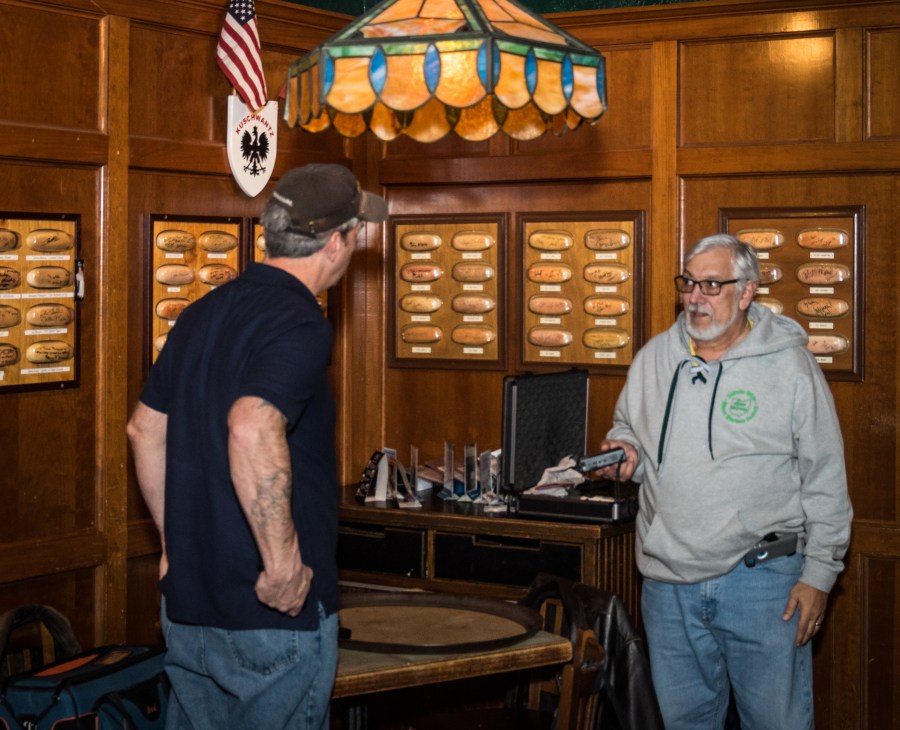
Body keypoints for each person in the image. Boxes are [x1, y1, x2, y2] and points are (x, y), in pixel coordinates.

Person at [127, 164, 387, 729]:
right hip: (270, 616)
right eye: (356, 234)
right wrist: (282, 566)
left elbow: (144, 430)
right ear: (336, 243)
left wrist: (174, 544)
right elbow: (251, 424)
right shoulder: (300, 322)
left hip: (189, 609)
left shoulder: (200, 313)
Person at [595, 233, 852, 729]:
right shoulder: (653, 358)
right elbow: (630, 429)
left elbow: (826, 476)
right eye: (689, 283)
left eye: (712, 285)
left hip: (763, 583)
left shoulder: (791, 366)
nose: (696, 297)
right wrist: (625, 453)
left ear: (747, 291)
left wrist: (819, 576)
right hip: (668, 586)